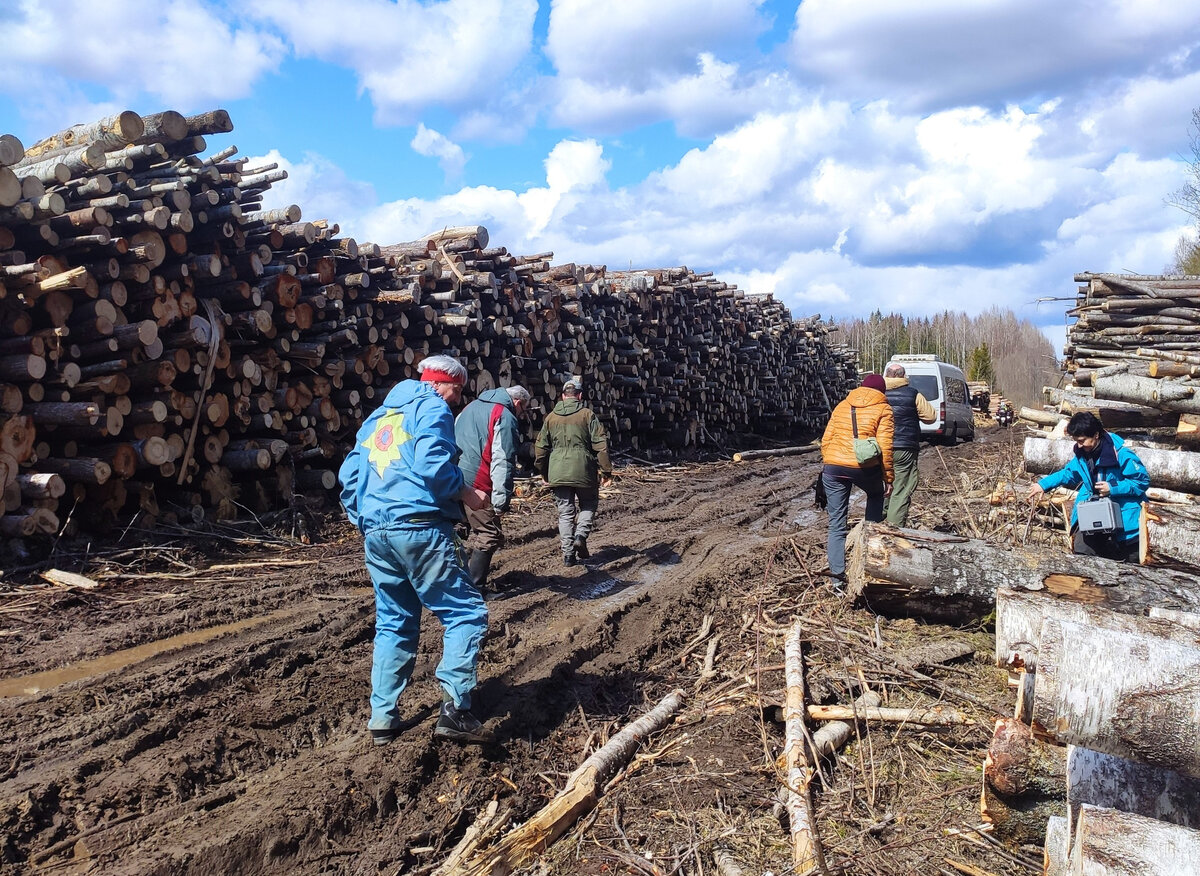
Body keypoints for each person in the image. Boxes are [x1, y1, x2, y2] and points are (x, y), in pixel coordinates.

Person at [338, 354, 494, 746]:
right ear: (439, 383)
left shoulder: (377, 419)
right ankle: (457, 710)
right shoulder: (432, 408)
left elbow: (348, 478)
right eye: (456, 390)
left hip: (377, 534)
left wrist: (367, 519)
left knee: (394, 621)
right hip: (421, 528)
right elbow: (433, 466)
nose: (456, 400)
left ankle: (382, 717)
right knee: (465, 613)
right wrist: (468, 495)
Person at [1026, 411, 1148, 562]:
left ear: (1096, 435)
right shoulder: (1082, 455)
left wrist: (1113, 488)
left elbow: (1141, 482)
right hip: (1092, 519)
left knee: (1127, 568)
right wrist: (1043, 485)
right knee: (1083, 555)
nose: (1079, 445)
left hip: (1125, 525)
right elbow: (1068, 473)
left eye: (1082, 441)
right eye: (1076, 441)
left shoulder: (1122, 455)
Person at [454, 384, 531, 591]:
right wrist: (500, 500)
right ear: (518, 402)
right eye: (523, 410)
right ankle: (474, 589)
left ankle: (449, 579)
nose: (521, 414)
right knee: (490, 534)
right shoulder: (504, 415)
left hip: (454, 478)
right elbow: (502, 459)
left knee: (457, 529)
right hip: (478, 483)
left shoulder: (469, 408)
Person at [820, 374, 895, 579]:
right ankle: (868, 560)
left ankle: (837, 578)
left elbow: (826, 440)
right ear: (882, 391)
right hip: (864, 467)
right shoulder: (884, 408)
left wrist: (830, 461)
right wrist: (888, 478)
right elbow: (886, 447)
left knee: (836, 523)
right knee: (876, 496)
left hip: (834, 468)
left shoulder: (842, 405)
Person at [534, 376, 613, 566]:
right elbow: (600, 446)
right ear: (580, 396)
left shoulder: (550, 417)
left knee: (565, 513)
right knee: (589, 503)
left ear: (562, 396)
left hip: (557, 471)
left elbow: (540, 449)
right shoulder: (587, 415)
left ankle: (568, 555)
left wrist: (544, 472)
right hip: (584, 469)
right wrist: (606, 471)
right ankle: (581, 535)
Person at [882, 363, 936, 527]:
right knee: (901, 488)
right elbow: (930, 416)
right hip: (905, 447)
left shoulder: (878, 393)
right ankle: (893, 531)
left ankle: (877, 521)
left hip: (880, 447)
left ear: (886, 375)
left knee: (881, 487)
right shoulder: (913, 394)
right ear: (904, 376)